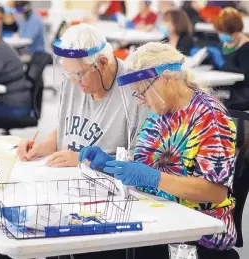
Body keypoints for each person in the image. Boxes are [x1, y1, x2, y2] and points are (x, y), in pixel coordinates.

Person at [79, 42, 238, 259]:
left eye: (142, 93)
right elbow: (147, 164)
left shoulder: (211, 117)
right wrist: (110, 165)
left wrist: (153, 178)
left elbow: (215, 192)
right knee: (85, 246)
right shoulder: (160, 113)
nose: (141, 102)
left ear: (166, 78)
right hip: (155, 221)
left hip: (196, 234)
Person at [16, 23, 148, 168]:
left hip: (105, 185)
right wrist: (42, 147)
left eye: (79, 74)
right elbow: (67, 129)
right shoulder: (75, 78)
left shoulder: (136, 91)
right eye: (68, 73)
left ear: (103, 63)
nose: (73, 81)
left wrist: (86, 161)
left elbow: (141, 160)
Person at [210, 7, 249, 111]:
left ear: (236, 31)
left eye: (224, 32)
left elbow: (245, 75)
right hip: (224, 89)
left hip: (241, 92)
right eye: (220, 31)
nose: (222, 35)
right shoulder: (222, 45)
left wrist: (223, 64)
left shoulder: (246, 47)